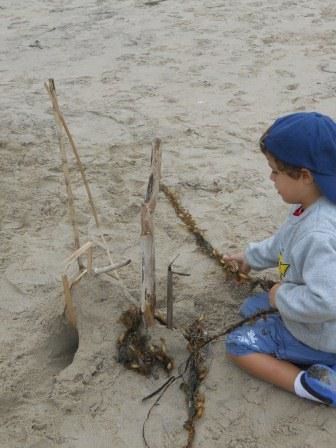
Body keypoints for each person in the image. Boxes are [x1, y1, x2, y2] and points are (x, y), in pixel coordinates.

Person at [224, 112, 336, 406]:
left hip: (324, 331)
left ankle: (308, 385)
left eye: (275, 171)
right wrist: (250, 257)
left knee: (238, 344)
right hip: (319, 315)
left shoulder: (318, 233)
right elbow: (283, 244)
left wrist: (281, 296)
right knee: (250, 307)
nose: (270, 178)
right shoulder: (313, 204)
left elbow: (325, 301)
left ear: (305, 176)